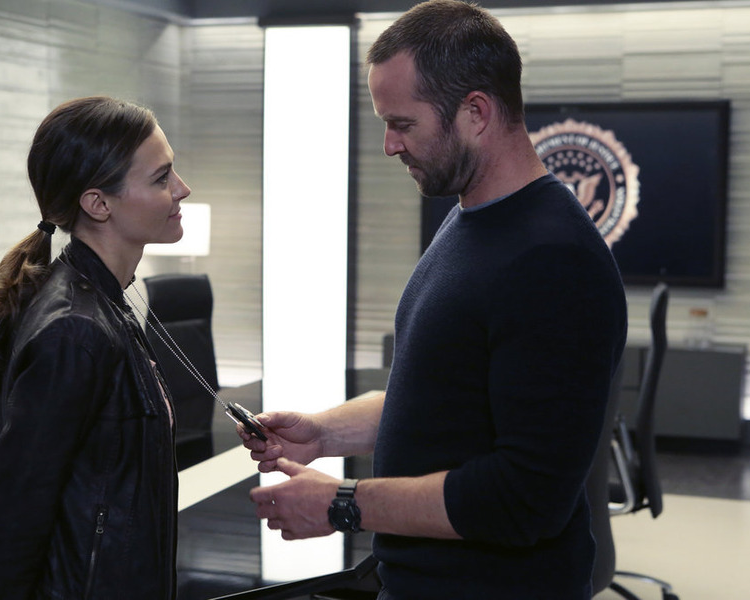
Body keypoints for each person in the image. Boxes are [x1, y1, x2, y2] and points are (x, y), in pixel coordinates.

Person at [239, 2, 627, 598]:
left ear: (476, 113)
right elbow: (450, 399)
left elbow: (526, 499)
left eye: (403, 124)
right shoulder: (470, 217)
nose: (389, 145)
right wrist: (324, 434)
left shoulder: (554, 260)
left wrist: (344, 503)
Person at [0, 96, 191, 599]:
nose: (182, 188)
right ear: (98, 204)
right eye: (161, 178)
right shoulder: (75, 331)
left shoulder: (105, 303)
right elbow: (12, 519)